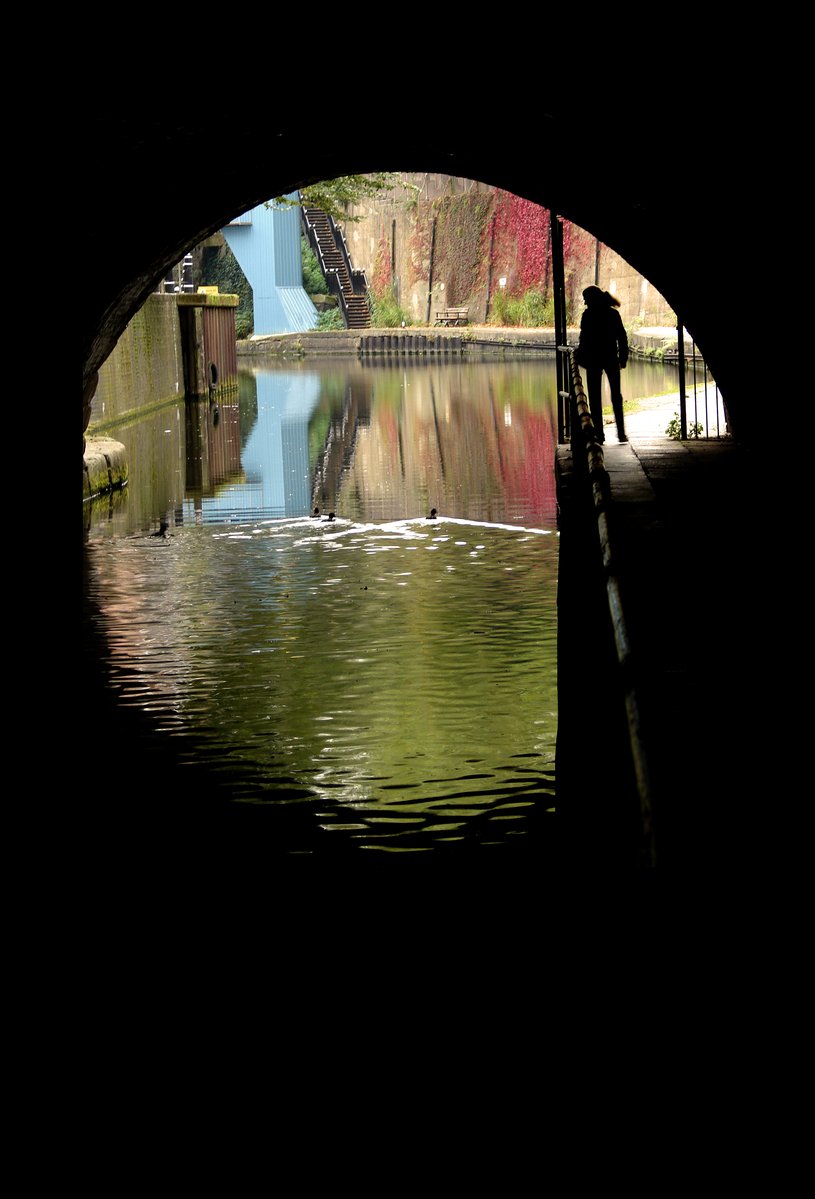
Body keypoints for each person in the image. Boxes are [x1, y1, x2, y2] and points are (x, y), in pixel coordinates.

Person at [575, 286, 629, 443]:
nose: (584, 302)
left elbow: (583, 339)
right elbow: (622, 337)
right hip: (611, 358)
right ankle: (621, 433)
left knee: (594, 397)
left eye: (586, 299)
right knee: (616, 396)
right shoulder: (613, 314)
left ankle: (599, 433)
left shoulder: (588, 315)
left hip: (593, 360)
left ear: (592, 299)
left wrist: (580, 357)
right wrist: (623, 358)